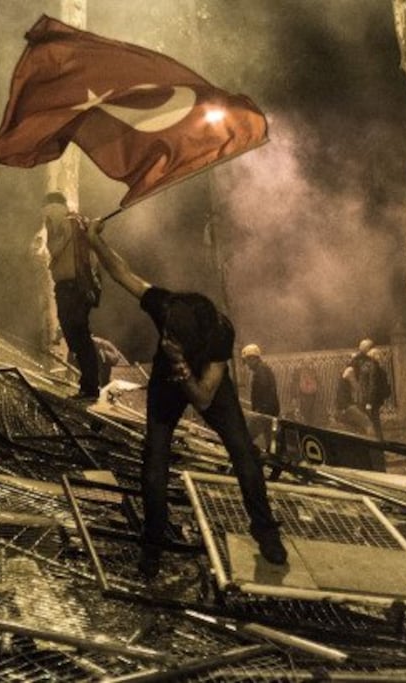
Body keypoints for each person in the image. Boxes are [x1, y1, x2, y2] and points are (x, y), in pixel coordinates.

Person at [80, 216, 287, 578]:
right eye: (167, 334)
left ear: (194, 341)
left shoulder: (219, 334)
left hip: (206, 382)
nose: (165, 341)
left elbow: (205, 398)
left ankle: (265, 530)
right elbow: (122, 273)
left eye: (174, 340)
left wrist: (183, 366)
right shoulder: (167, 304)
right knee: (154, 459)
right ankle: (153, 545)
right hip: (166, 383)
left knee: (243, 451)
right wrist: (95, 240)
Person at [43, 192, 102, 400]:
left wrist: (50, 228)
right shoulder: (78, 223)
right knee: (77, 335)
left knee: (78, 335)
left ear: (52, 206)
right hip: (76, 287)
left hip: (71, 288)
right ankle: (89, 385)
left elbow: (54, 250)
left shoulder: (61, 222)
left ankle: (90, 387)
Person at [334, 339, 387, 441]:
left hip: (351, 403)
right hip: (346, 405)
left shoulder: (362, 365)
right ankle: (374, 446)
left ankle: (376, 445)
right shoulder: (350, 371)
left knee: (368, 423)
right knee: (368, 423)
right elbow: (357, 389)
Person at [240, 343, 280, 451]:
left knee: (246, 438)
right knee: (271, 443)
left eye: (247, 361)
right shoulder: (263, 369)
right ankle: (275, 464)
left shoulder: (261, 371)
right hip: (269, 411)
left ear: (253, 358)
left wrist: (260, 410)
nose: (247, 365)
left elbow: (264, 391)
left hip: (264, 412)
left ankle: (238, 462)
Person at [288, 361, 322, 426]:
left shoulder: (309, 374)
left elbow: (311, 385)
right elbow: (303, 385)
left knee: (308, 412)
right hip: (306, 395)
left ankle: (308, 423)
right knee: (306, 411)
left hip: (309, 395)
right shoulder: (305, 374)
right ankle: (307, 424)